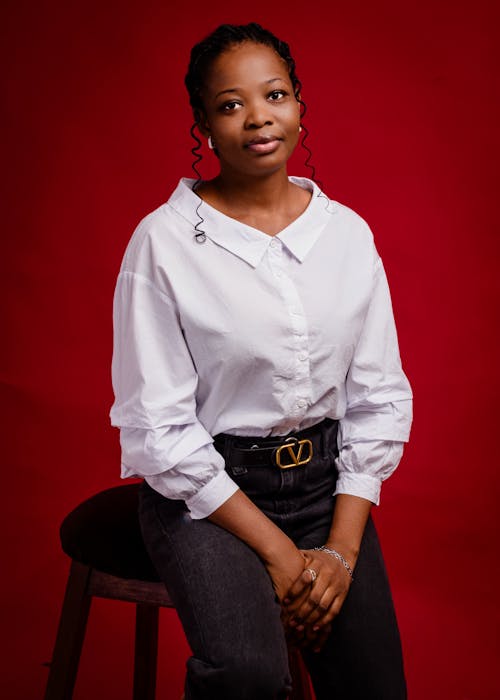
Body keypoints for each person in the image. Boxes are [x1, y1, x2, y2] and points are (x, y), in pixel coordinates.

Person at [110, 22, 412, 700]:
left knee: (375, 685)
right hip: (206, 496)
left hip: (324, 486)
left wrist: (339, 552)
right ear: (205, 125)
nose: (257, 118)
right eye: (230, 104)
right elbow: (158, 427)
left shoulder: (347, 236)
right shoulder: (163, 244)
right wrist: (280, 556)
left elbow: (377, 396)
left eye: (274, 95)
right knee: (247, 677)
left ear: (299, 104)